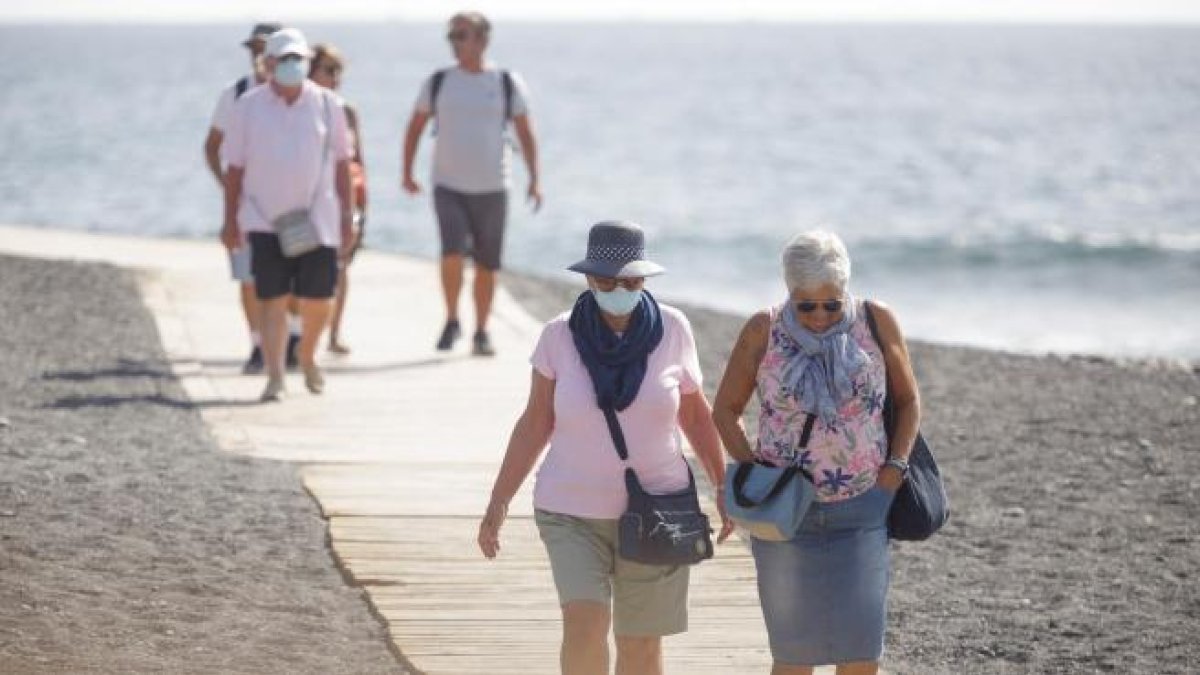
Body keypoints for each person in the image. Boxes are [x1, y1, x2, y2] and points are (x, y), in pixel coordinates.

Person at [478, 221, 732, 675]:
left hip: (658, 512)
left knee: (639, 647)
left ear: (645, 280)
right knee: (584, 625)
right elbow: (536, 422)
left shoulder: (673, 329)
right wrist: (499, 500)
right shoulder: (558, 336)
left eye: (630, 281)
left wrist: (723, 486)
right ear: (588, 280)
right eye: (606, 281)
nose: (618, 290)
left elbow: (694, 416)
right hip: (569, 511)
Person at [712, 230, 921, 675]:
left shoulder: (876, 320)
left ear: (846, 291)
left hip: (864, 507)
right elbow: (725, 411)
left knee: (861, 653)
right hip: (785, 517)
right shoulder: (762, 329)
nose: (821, 315)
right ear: (789, 293)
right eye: (806, 305)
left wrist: (894, 472)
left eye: (832, 303)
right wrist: (755, 475)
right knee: (793, 657)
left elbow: (908, 401)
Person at [220, 28, 355, 402]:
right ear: (268, 64)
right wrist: (230, 220)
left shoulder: (329, 105)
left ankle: (307, 354)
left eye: (298, 59)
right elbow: (234, 169)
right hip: (263, 220)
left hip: (318, 220)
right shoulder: (247, 106)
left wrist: (349, 217)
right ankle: (276, 374)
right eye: (284, 60)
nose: (292, 66)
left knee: (318, 300)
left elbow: (344, 164)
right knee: (272, 298)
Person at [401, 11, 542, 357]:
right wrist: (407, 171)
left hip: (494, 186)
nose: (455, 42)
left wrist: (536, 179)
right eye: (451, 36)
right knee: (450, 253)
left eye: (461, 35)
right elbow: (416, 126)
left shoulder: (506, 83)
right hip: (447, 184)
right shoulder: (438, 82)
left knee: (487, 264)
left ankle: (481, 329)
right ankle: (451, 319)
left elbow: (525, 132)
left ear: (482, 39)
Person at [203, 22, 280, 374]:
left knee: (289, 277)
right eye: (254, 50)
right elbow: (212, 147)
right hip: (247, 206)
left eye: (265, 49)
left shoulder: (303, 96)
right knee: (248, 277)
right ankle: (257, 345)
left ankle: (289, 339)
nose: (259, 57)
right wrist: (228, 190)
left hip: (291, 205)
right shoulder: (234, 95)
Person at [309, 43, 366, 355]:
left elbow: (359, 161)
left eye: (338, 71)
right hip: (310, 201)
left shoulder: (347, 111)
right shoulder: (303, 108)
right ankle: (304, 335)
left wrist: (359, 206)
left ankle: (333, 333)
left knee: (341, 268)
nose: (335, 77)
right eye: (328, 70)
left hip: (344, 198)